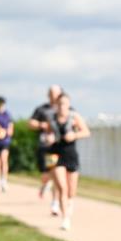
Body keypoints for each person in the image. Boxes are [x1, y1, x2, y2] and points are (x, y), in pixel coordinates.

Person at [42, 92, 90, 231]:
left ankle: (70, 202)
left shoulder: (74, 117)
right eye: (60, 104)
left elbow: (86, 132)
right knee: (62, 188)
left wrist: (74, 135)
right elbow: (47, 135)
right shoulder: (51, 119)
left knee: (71, 190)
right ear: (56, 105)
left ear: (69, 104)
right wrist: (49, 139)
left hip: (71, 154)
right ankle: (65, 219)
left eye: (65, 104)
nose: (62, 106)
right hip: (55, 155)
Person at [29, 86, 62, 214]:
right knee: (47, 175)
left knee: (56, 174)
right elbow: (31, 123)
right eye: (52, 93)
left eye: (56, 93)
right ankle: (44, 184)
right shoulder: (42, 109)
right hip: (46, 146)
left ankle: (55, 202)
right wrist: (41, 125)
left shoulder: (64, 109)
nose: (54, 96)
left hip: (60, 147)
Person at [0, 96, 14, 193]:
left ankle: (4, 180)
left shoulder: (7, 114)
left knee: (4, 160)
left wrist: (5, 132)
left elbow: (10, 128)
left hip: (5, 141)